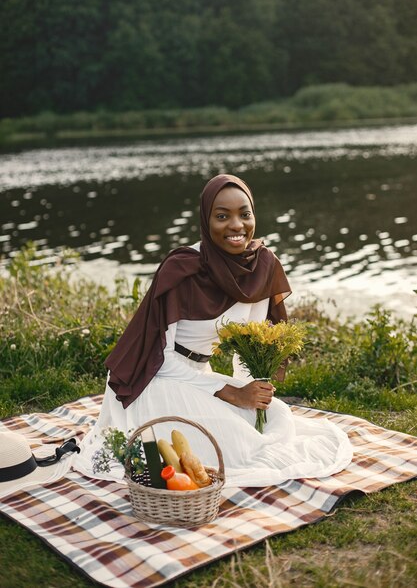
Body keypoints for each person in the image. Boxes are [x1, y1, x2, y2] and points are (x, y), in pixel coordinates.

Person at [73, 174, 352, 487]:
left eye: (245, 214)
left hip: (199, 378)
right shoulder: (183, 269)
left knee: (277, 419)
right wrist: (231, 393)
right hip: (154, 379)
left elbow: (252, 346)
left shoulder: (263, 266)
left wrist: (251, 393)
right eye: (222, 216)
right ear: (206, 221)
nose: (236, 226)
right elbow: (159, 360)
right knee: (239, 445)